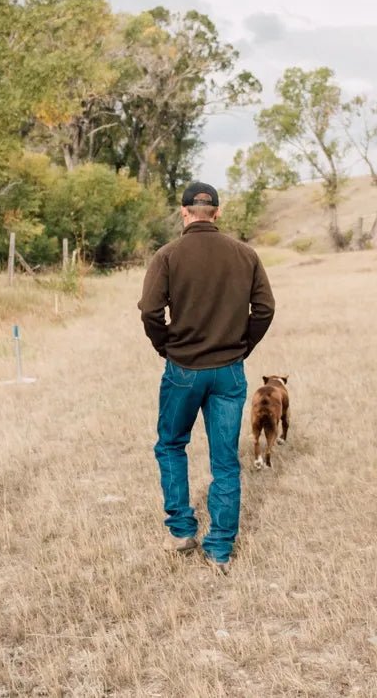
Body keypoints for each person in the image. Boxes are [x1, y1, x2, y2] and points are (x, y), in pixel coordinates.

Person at [138, 182, 275, 572]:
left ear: (183, 212)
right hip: (229, 371)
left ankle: (182, 531)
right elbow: (265, 308)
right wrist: (243, 346)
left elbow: (150, 311)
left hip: (183, 368)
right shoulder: (245, 254)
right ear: (217, 212)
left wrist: (165, 346)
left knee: (171, 445)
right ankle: (219, 549)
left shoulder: (167, 255)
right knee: (225, 460)